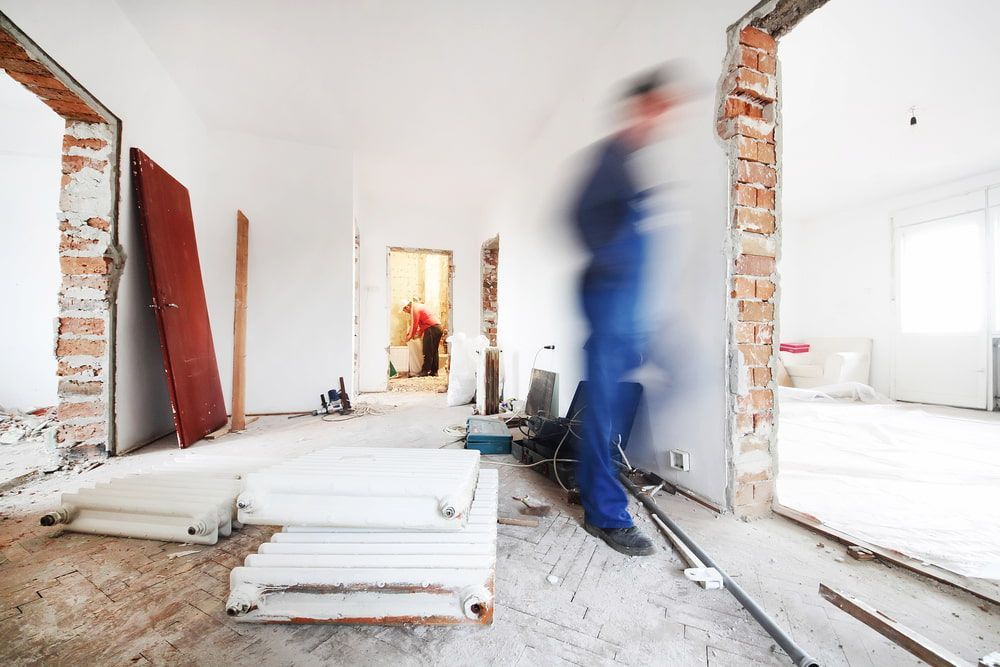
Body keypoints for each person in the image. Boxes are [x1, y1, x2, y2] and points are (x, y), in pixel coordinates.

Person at [569, 67, 675, 557]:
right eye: (658, 107)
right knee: (605, 412)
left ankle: (596, 492)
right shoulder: (610, 160)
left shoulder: (627, 168)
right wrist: (611, 266)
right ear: (641, 106)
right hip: (610, 302)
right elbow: (577, 216)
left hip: (626, 309)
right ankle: (605, 514)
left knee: (611, 407)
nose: (663, 118)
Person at [403, 299, 443, 377]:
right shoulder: (419, 306)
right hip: (437, 328)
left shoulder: (415, 309)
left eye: (405, 310)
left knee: (427, 350)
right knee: (433, 351)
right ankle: (434, 372)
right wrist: (419, 334)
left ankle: (425, 371)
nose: (406, 312)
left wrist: (409, 336)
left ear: (407, 307)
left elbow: (414, 324)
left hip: (431, 328)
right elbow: (422, 323)